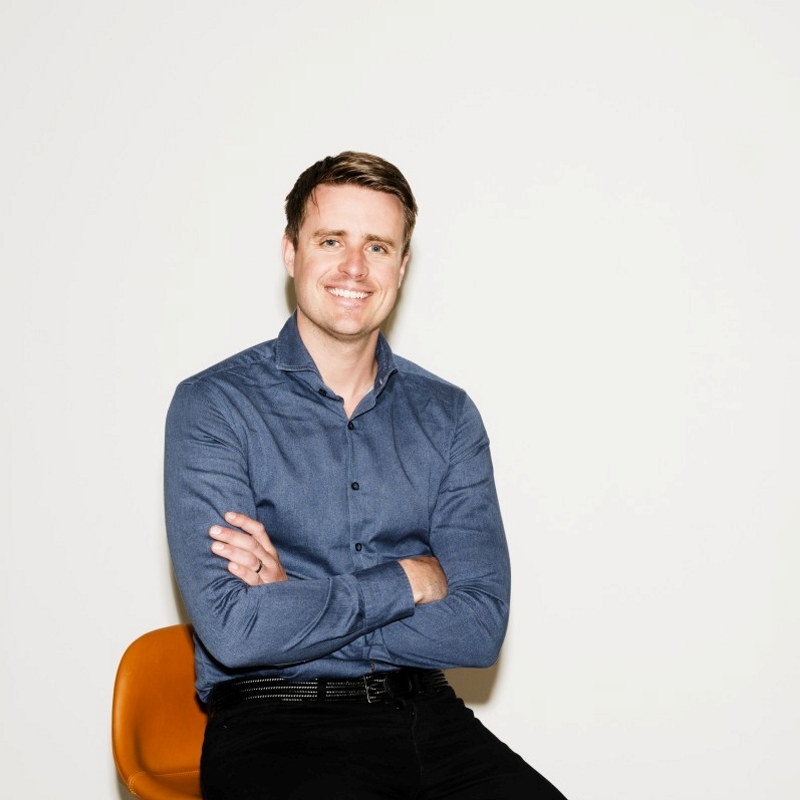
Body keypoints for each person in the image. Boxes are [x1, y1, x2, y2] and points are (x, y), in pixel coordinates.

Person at [165, 151, 567, 799]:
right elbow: (237, 632)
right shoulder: (215, 406)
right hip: (278, 721)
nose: (354, 267)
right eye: (332, 241)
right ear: (291, 251)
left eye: (377, 247)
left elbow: (479, 628)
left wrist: (295, 597)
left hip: (426, 715)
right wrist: (410, 579)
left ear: (401, 267)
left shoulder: (448, 416)